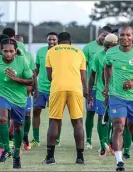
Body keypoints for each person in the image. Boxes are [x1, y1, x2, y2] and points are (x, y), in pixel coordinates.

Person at [103, 26, 133, 171]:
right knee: (118, 126)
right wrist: (107, 85)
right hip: (116, 96)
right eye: (122, 35)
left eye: (128, 35)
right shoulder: (111, 52)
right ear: (118, 37)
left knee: (132, 129)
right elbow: (107, 67)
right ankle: (119, 161)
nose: (125, 38)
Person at [43, 32, 87, 164]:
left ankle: (50, 158)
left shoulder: (51, 51)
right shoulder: (79, 52)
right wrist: (84, 89)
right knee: (78, 122)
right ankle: (80, 157)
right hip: (75, 88)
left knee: (54, 121)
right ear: (70, 42)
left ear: (58, 41)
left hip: (58, 87)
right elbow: (83, 76)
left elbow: (49, 76)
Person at [0, 38, 33, 168]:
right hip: (1, 94)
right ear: (0, 50)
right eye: (5, 51)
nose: (8, 54)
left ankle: (16, 154)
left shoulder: (22, 61)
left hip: (19, 98)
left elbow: (30, 81)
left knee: (18, 127)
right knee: (3, 119)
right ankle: (5, 148)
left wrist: (16, 78)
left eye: (11, 51)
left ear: (15, 51)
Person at [88, 33, 118, 156]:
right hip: (102, 93)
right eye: (105, 46)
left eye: (109, 47)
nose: (106, 49)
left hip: (118, 93)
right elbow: (93, 75)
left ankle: (110, 142)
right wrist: (90, 93)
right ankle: (102, 145)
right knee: (102, 119)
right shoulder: (98, 56)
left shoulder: (121, 56)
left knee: (115, 120)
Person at [83, 26, 112, 149]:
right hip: (92, 87)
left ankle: (105, 141)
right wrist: (85, 86)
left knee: (106, 115)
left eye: (108, 36)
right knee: (90, 112)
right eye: (104, 35)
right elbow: (83, 68)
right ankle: (88, 141)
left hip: (105, 88)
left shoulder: (112, 48)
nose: (105, 38)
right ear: (99, 34)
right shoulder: (88, 47)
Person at [30, 32, 60, 147]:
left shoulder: (60, 52)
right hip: (41, 88)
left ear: (57, 41)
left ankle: (56, 138)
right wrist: (33, 84)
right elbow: (35, 69)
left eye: (54, 40)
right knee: (36, 110)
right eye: (49, 39)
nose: (51, 42)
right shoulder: (41, 51)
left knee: (56, 115)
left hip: (56, 88)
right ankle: (36, 139)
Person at [15, 35, 37, 150]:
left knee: (27, 115)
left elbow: (33, 73)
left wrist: (33, 87)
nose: (20, 45)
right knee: (11, 117)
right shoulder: (9, 55)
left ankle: (25, 136)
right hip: (12, 91)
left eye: (22, 42)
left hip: (26, 91)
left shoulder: (28, 56)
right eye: (18, 42)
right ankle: (11, 140)